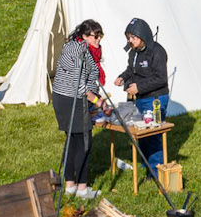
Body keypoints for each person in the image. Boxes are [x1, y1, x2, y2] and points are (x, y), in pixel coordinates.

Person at [52, 19, 104, 199]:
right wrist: (98, 102)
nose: (98, 40)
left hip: (64, 98)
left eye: (100, 36)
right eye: (95, 36)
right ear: (84, 36)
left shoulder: (76, 46)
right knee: (83, 142)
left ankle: (70, 186)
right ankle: (82, 189)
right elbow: (79, 86)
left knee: (73, 141)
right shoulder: (78, 51)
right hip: (70, 100)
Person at [114, 18, 170, 170]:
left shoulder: (157, 52)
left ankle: (158, 171)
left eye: (133, 37)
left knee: (153, 135)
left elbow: (161, 78)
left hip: (155, 99)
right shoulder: (134, 52)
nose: (130, 41)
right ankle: (148, 168)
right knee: (142, 135)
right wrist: (122, 77)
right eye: (128, 38)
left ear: (143, 35)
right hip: (140, 99)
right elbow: (131, 70)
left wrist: (139, 87)